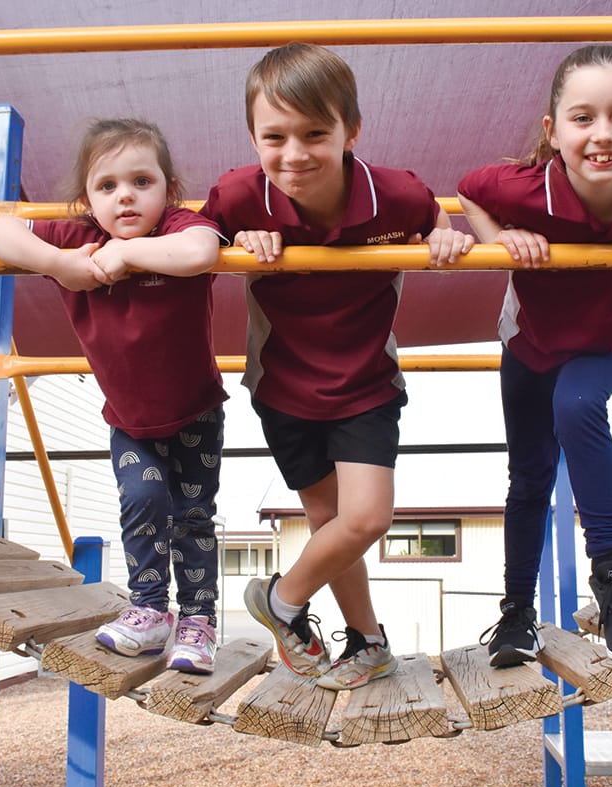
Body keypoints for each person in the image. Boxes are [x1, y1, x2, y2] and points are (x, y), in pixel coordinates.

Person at [202, 43, 473, 690]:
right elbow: (196, 237)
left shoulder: (396, 194)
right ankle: (369, 641)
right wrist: (235, 240)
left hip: (366, 383)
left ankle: (281, 600)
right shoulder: (241, 195)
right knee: (332, 525)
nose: (293, 154)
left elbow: (441, 223)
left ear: (352, 131)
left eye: (314, 134)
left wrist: (445, 234)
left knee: (367, 518)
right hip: (283, 385)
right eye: (275, 137)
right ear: (252, 138)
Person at [458, 45, 612, 665]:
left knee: (579, 404)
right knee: (529, 476)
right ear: (554, 131)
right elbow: (467, 191)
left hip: (602, 341)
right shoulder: (521, 186)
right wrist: (500, 238)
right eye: (583, 118)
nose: (603, 135)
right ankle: (517, 612)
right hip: (528, 343)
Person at [0, 118, 228, 674]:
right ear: (87, 200)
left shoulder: (180, 228)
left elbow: (199, 253)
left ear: (168, 190)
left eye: (142, 181)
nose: (126, 196)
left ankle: (199, 620)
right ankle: (149, 609)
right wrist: (61, 265)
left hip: (195, 412)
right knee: (142, 503)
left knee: (191, 514)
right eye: (107, 186)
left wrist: (130, 255)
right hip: (130, 419)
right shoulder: (78, 241)